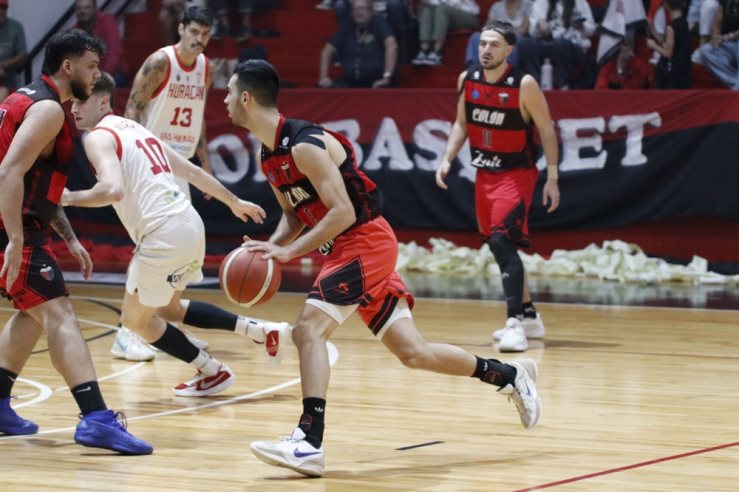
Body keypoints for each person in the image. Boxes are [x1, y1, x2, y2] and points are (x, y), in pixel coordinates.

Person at [224, 59, 541, 477]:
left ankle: (308, 441)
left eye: (229, 93)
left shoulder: (304, 144)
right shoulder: (269, 154)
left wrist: (290, 253)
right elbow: (294, 213)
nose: (225, 100)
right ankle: (508, 375)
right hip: (351, 250)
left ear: (247, 98)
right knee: (414, 353)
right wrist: (273, 245)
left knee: (307, 330)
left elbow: (342, 211)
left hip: (364, 242)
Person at [63, 73, 292, 394]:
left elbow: (112, 190)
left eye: (80, 101)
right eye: (72, 102)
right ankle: (261, 330)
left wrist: (67, 197)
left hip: (163, 234)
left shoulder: (97, 137)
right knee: (167, 310)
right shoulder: (136, 129)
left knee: (134, 321)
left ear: (103, 101)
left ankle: (212, 371)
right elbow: (191, 171)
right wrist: (233, 201)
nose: (73, 109)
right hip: (189, 224)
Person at [0, 29, 151, 454]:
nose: (97, 73)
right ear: (68, 67)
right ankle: (96, 419)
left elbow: (36, 182)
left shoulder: (27, 98)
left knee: (33, 313)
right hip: (12, 226)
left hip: (21, 223)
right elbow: (9, 173)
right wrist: (15, 238)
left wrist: (70, 240)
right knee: (60, 313)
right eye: (91, 66)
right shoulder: (49, 110)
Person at [436, 25, 560, 352]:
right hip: (484, 174)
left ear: (509, 51)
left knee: (503, 241)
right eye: (483, 44)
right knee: (499, 247)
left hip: (516, 174)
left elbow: (547, 130)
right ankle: (530, 315)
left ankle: (514, 323)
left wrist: (552, 178)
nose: (486, 50)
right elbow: (461, 123)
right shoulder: (467, 79)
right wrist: (447, 158)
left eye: (494, 45)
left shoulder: (524, 84)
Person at [122, 6, 217, 356]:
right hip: (150, 164)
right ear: (180, 29)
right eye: (194, 31)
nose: (199, 39)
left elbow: (198, 118)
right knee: (151, 243)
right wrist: (130, 158)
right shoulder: (160, 62)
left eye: (205, 34)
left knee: (183, 248)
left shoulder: (206, 67)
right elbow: (132, 108)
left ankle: (163, 326)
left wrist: (205, 165)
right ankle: (127, 332)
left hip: (180, 164)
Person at [318, 0, 398, 88]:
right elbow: (327, 50)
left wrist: (387, 76)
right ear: (351, 12)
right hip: (349, 81)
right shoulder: (347, 25)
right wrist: (323, 77)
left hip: (376, 80)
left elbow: (392, 46)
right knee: (327, 89)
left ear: (371, 10)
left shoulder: (379, 22)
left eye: (362, 8)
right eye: (355, 9)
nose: (359, 12)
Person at [73, 0, 128, 87]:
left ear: (95, 9)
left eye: (87, 7)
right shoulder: (75, 31)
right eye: (79, 8)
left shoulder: (106, 21)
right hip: (90, 75)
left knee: (96, 87)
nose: (82, 11)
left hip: (114, 73)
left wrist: (103, 75)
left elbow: (115, 50)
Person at [411, 0, 480, 66]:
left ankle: (437, 52)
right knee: (427, 9)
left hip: (468, 15)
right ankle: (424, 51)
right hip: (444, 14)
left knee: (442, 9)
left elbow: (452, 3)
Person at [465, 0, 532, 68]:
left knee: (513, 40)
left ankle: (506, 70)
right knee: (476, 36)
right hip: (496, 34)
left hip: (516, 35)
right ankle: (473, 69)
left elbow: (524, 29)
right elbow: (487, 26)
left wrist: (504, 35)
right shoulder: (497, 6)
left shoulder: (528, 5)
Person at [647, 0, 692, 88]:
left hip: (675, 73)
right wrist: (652, 29)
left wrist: (654, 45)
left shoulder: (671, 27)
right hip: (685, 70)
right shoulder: (685, 23)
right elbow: (669, 42)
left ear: (667, 5)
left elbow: (668, 53)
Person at [699, 0, 739, 89]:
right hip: (728, 44)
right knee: (705, 50)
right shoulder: (726, 3)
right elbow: (716, 22)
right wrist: (715, 36)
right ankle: (734, 82)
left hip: (735, 41)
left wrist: (729, 36)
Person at [0, 0, 26, 101]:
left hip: (9, 80)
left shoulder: (15, 27)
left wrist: (4, 65)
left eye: (4, 8)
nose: (1, 11)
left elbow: (22, 55)